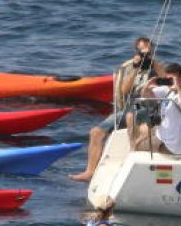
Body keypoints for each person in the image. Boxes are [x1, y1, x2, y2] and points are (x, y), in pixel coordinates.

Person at [70, 36, 163, 181]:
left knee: (132, 118)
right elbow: (125, 90)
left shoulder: (157, 67)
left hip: (149, 105)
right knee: (95, 132)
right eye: (142, 50)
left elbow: (167, 81)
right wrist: (135, 68)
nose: (145, 53)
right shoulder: (129, 66)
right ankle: (90, 171)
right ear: (137, 51)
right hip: (133, 105)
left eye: (147, 50)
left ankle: (133, 157)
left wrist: (153, 62)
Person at [133, 62, 181, 155]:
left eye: (171, 80)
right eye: (167, 80)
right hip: (165, 135)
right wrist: (147, 86)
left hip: (173, 146)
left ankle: (135, 154)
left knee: (137, 145)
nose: (169, 82)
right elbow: (147, 95)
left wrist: (178, 88)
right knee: (142, 126)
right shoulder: (168, 89)